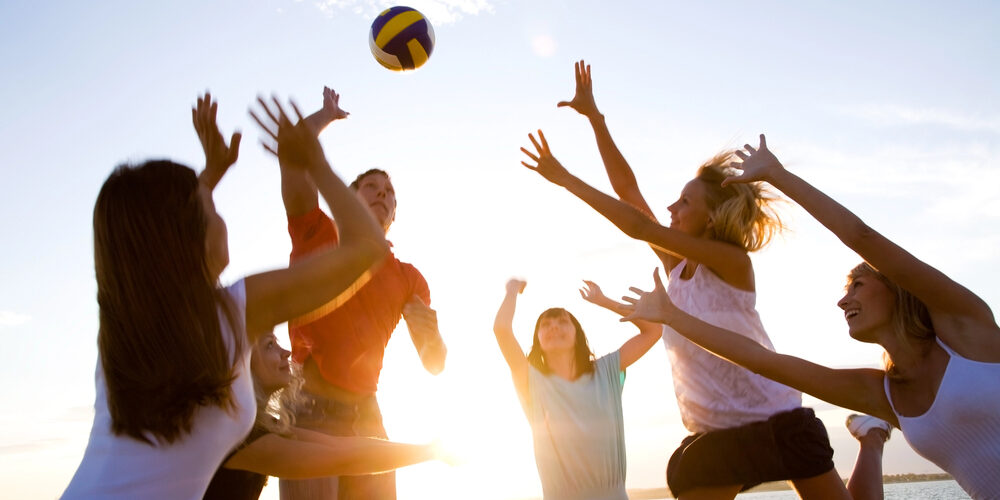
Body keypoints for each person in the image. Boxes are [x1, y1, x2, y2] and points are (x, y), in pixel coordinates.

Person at [521, 64, 849, 495]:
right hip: (716, 434)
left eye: (684, 202)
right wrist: (596, 120)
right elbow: (629, 192)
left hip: (775, 420)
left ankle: (870, 438)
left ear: (711, 217)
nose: (671, 207)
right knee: (685, 476)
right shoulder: (677, 270)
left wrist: (565, 179)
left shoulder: (732, 264)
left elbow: (640, 225)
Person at [620, 134, 1000, 500]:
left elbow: (861, 236)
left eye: (857, 285)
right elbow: (759, 359)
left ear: (896, 286)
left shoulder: (967, 329)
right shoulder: (885, 393)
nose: (842, 300)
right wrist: (670, 316)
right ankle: (872, 437)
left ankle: (870, 437)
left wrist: (778, 176)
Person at [61, 93, 389, 500]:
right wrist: (315, 162)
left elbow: (151, 237)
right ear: (186, 234)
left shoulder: (125, 334)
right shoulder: (234, 312)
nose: (221, 216)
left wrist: (210, 175)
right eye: (210, 207)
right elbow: (369, 248)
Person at [277, 87, 447, 500]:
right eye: (372, 187)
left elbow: (434, 364)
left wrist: (435, 336)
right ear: (350, 199)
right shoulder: (317, 233)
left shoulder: (409, 278)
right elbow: (294, 157)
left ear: (393, 216)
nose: (383, 195)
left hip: (368, 416)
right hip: (309, 407)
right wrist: (325, 116)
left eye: (389, 194)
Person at [203, 331, 450, 499]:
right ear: (242, 365)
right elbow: (343, 458)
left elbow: (343, 448)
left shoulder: (256, 428)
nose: (286, 352)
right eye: (270, 345)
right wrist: (429, 452)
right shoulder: (236, 436)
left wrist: (430, 450)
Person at [492, 278, 661, 500]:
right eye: (545, 325)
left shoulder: (606, 370)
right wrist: (512, 289)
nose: (554, 326)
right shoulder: (531, 382)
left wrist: (603, 300)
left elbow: (653, 331)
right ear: (538, 341)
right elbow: (501, 329)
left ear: (576, 334)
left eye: (562, 322)